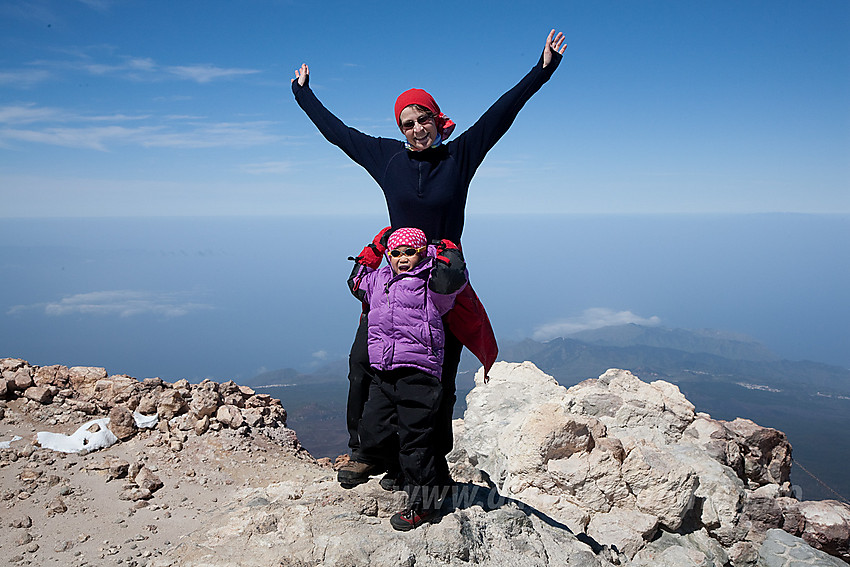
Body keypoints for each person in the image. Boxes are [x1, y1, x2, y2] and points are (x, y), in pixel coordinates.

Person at [292, 29, 567, 487]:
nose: (416, 129)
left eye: (423, 120)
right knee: (364, 364)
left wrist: (543, 69)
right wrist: (304, 96)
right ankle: (366, 451)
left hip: (440, 285)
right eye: (407, 123)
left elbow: (502, 113)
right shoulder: (385, 157)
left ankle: (419, 467)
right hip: (394, 280)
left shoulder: (459, 157)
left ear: (439, 121)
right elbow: (338, 134)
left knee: (437, 379)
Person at [346, 227, 467, 530]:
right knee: (374, 426)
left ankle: (426, 505)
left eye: (409, 252)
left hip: (418, 374)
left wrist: (446, 252)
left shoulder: (432, 282)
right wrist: (371, 252)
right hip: (385, 371)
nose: (402, 259)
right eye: (395, 252)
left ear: (422, 252)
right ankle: (396, 471)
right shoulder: (380, 279)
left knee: (415, 442)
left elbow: (454, 280)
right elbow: (356, 282)